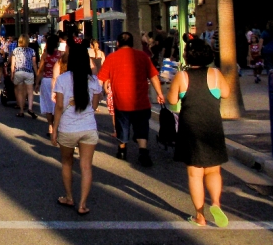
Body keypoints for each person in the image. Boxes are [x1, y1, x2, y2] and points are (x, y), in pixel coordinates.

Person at [167, 38, 230, 227]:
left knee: (195, 174)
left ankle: (199, 216)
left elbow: (171, 100)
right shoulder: (216, 74)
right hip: (212, 126)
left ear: (187, 56)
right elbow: (225, 93)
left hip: (190, 127)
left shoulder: (182, 76)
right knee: (214, 170)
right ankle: (216, 204)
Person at [98, 32, 165, 166]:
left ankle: (122, 150)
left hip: (121, 101)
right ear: (133, 43)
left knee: (122, 126)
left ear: (117, 43)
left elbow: (101, 79)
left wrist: (97, 94)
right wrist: (160, 93)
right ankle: (143, 151)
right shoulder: (142, 56)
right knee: (142, 127)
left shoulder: (111, 58)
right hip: (141, 100)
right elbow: (153, 76)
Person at [52, 41, 102, 216]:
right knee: (86, 166)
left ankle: (69, 197)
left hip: (68, 128)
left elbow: (58, 106)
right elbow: (95, 105)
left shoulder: (63, 79)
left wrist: (54, 129)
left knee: (67, 163)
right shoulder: (93, 80)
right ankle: (82, 204)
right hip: (88, 127)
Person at [36, 35, 62, 131]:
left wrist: (37, 83)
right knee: (57, 103)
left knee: (47, 104)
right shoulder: (61, 55)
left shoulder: (45, 55)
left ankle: (50, 126)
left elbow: (41, 70)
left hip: (46, 80)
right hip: (58, 81)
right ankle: (57, 126)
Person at [10, 34, 39, 119]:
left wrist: (12, 74)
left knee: (20, 92)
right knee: (30, 92)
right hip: (29, 72)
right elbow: (34, 64)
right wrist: (37, 74)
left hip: (19, 72)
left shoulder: (15, 50)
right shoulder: (32, 51)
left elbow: (13, 65)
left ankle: (21, 110)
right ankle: (30, 108)